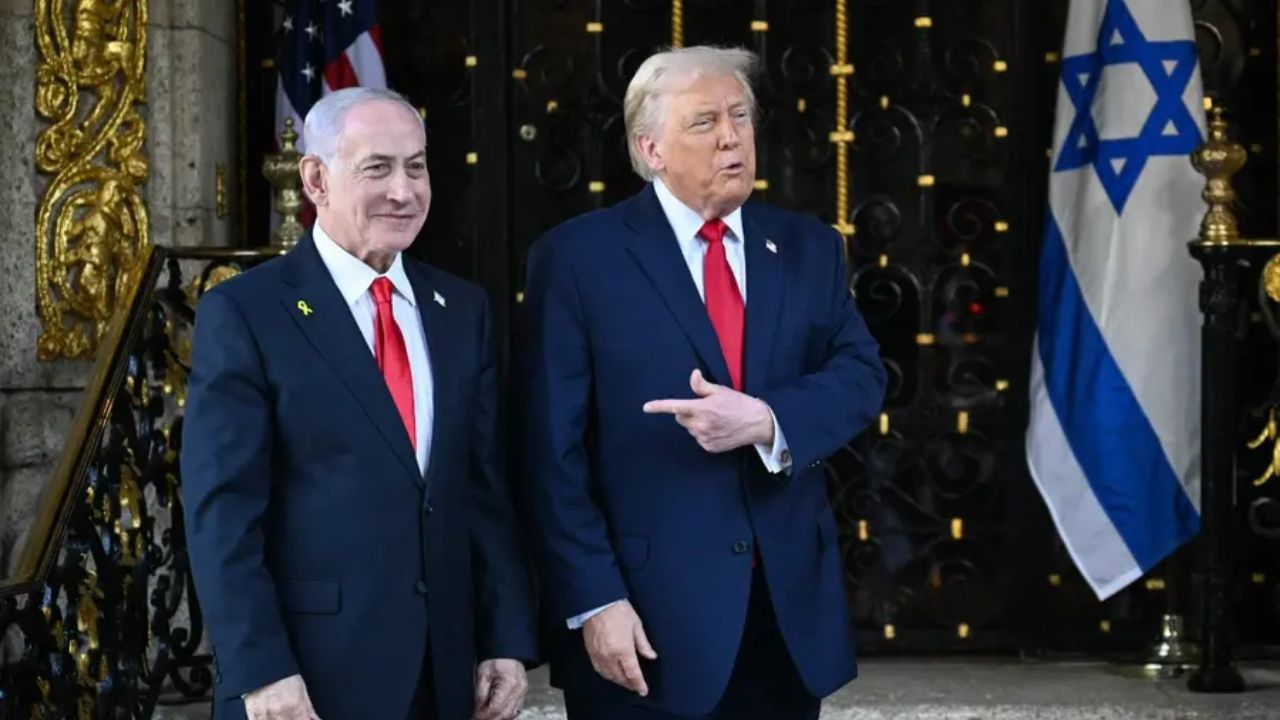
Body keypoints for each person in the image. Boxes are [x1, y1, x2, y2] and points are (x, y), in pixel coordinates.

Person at [515, 45, 888, 720]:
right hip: (644, 622)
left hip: (783, 621)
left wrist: (770, 420)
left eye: (740, 117)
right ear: (650, 149)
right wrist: (595, 599)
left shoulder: (807, 247)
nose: (731, 137)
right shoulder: (576, 258)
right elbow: (548, 451)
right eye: (705, 122)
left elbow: (862, 374)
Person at [182, 86, 538, 720]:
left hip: (446, 676)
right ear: (315, 179)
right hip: (306, 681)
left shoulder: (462, 310)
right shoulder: (246, 313)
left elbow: (482, 491)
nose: (404, 190)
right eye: (378, 168)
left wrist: (504, 638)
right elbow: (223, 514)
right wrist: (261, 671)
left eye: (416, 166)